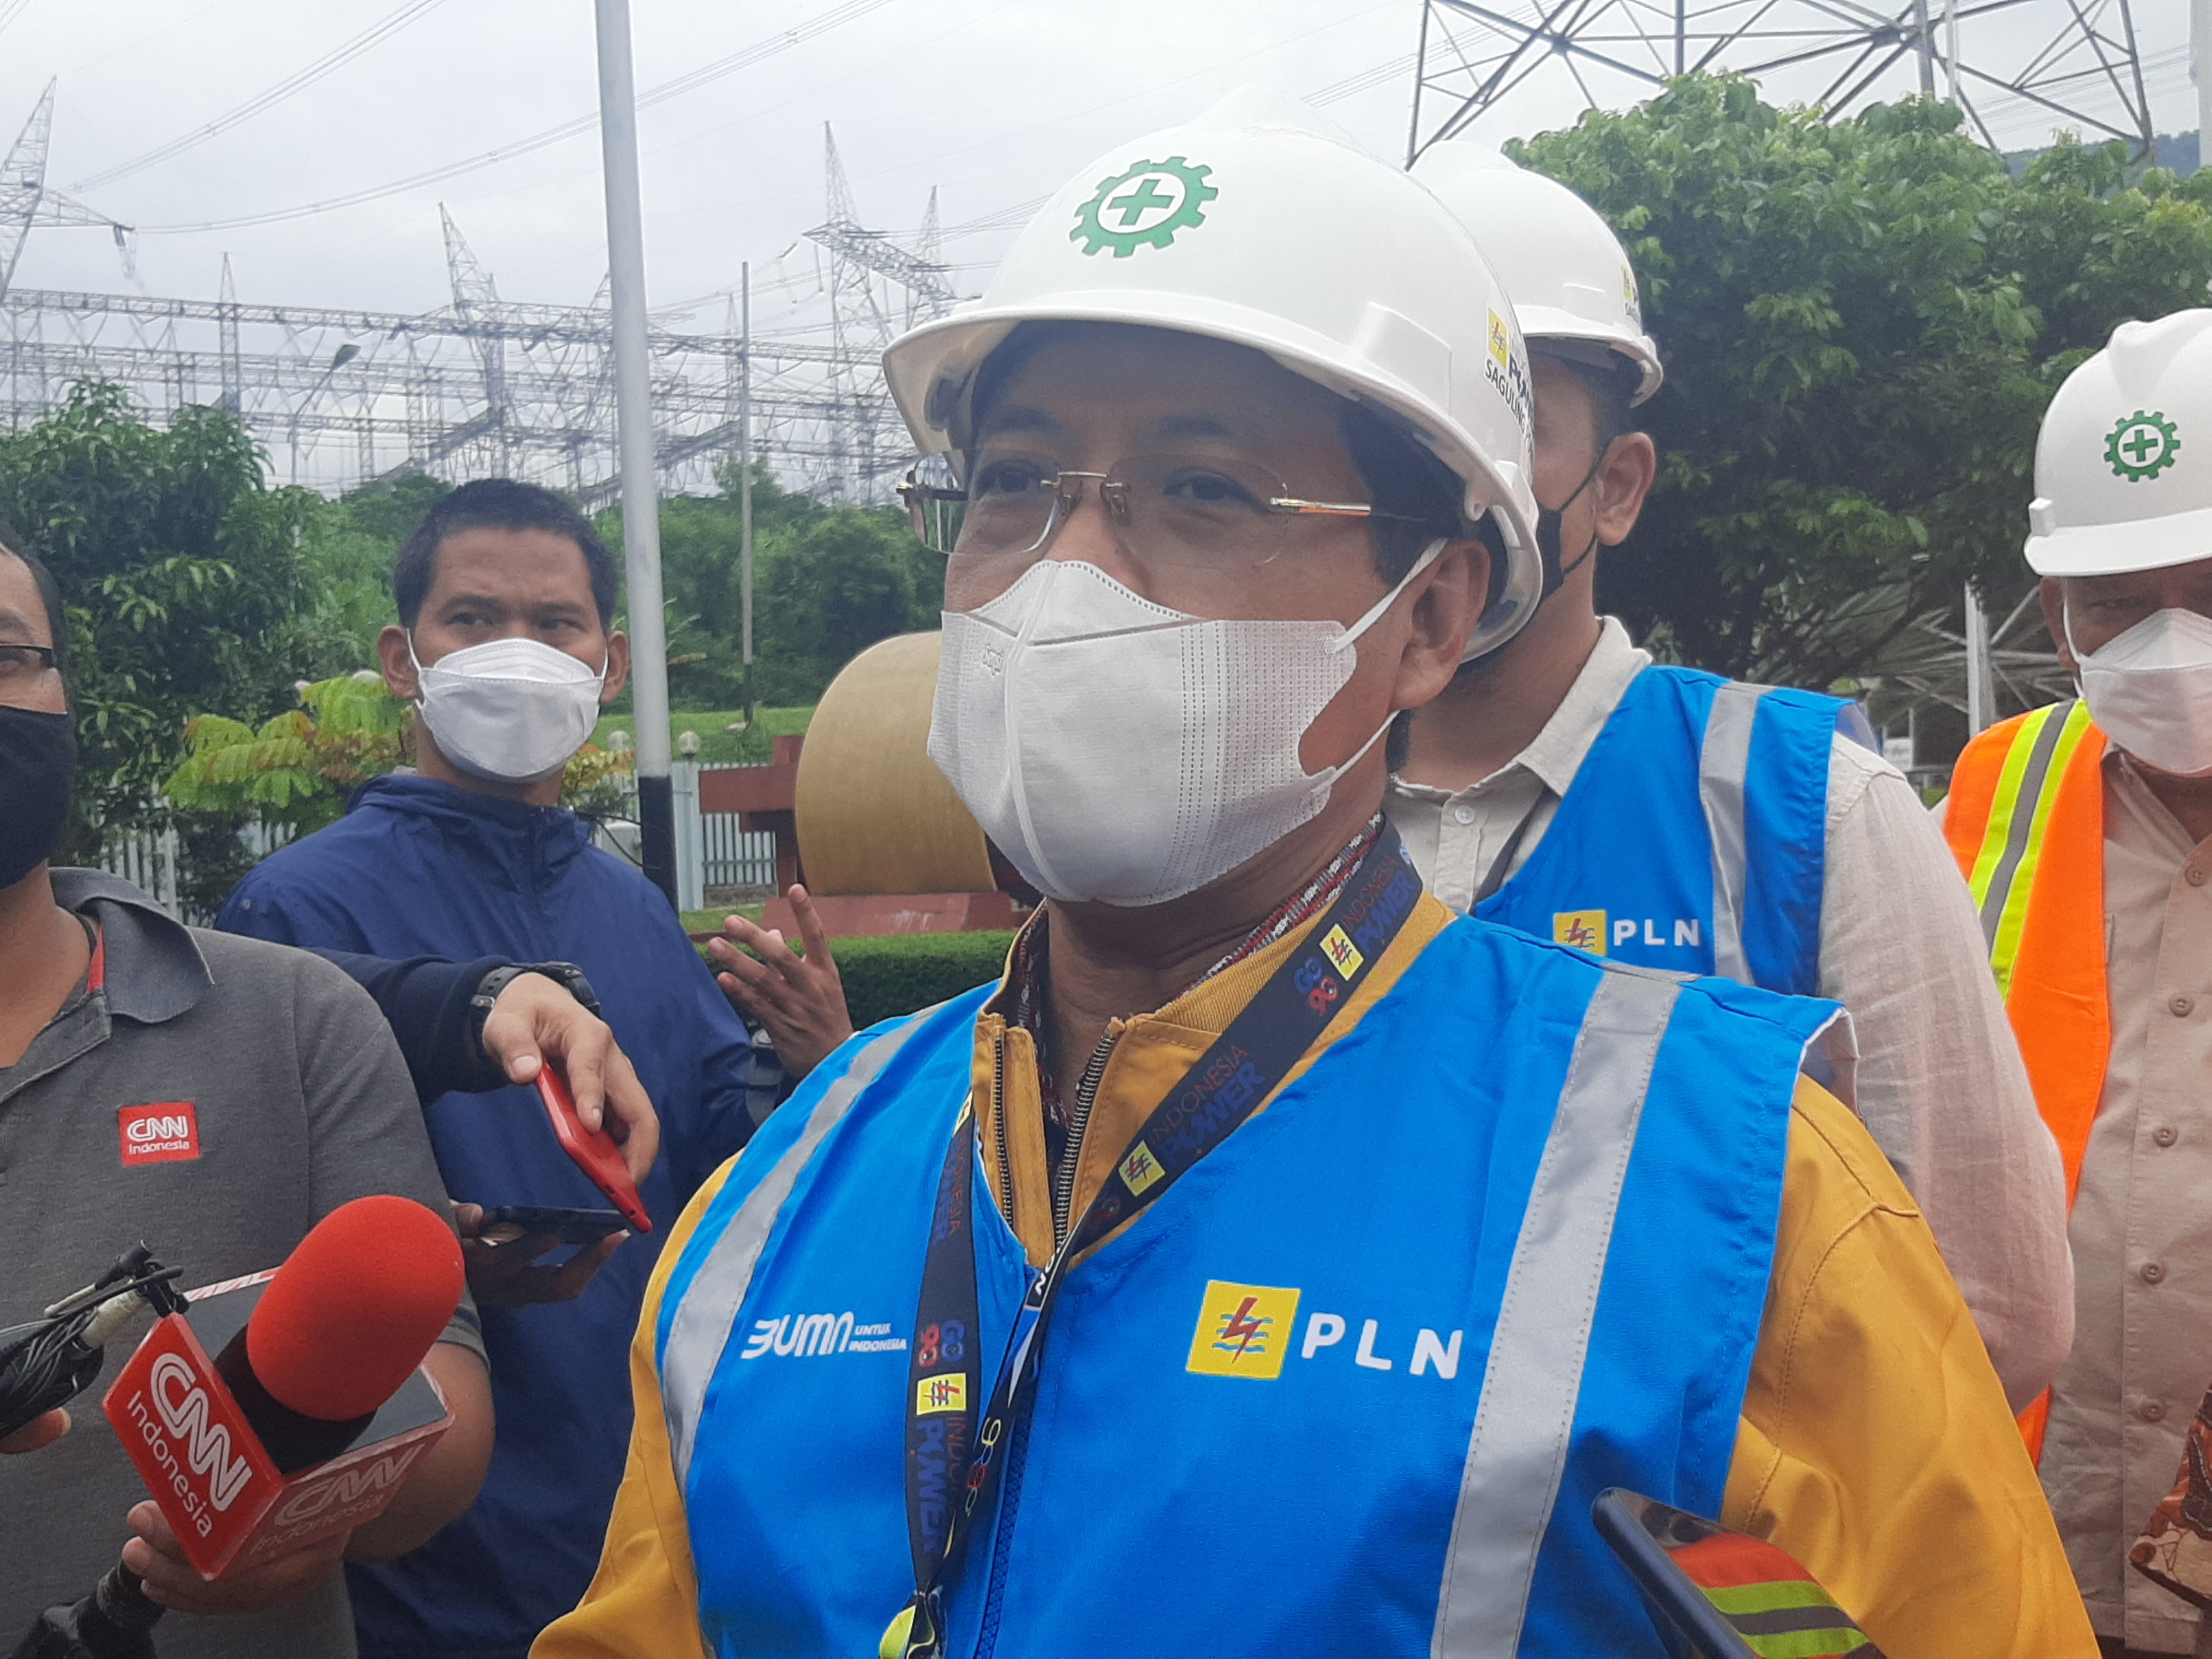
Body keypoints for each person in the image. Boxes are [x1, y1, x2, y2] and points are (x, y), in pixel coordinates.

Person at [535, 96, 2090, 1659]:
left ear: (1429, 618)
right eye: (1014, 483)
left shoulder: (1737, 1208)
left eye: (1203, 491)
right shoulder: (789, 1188)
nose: (1067, 572)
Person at [1383, 139, 2073, 1412]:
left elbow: (1987, 1306)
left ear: (1618, 486)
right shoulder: (1269, 811)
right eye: (1409, 429)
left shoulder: (1803, 810)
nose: (1460, 485)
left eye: (1510, 424)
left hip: (1661, 1606)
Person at [216, 478, 764, 1659]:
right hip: (426, 1544)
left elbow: (726, 1163)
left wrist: (821, 1064)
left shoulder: (627, 903)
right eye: (472, 618)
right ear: (401, 659)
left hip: (638, 1514)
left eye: (554, 623)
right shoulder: (299, 910)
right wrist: (435, 1276)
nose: (517, 651)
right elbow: (241, 1231)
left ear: (608, 663)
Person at [0, 529, 495, 1656]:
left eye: (0, 654)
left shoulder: (292, 1021)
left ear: (63, 694)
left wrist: (323, 1497)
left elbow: (445, 1425)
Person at [1939, 306, 2212, 1658]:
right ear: (2055, 611)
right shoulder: (1994, 787)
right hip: (2029, 1529)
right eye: (2118, 602)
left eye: (2211, 593)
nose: (2169, 643)